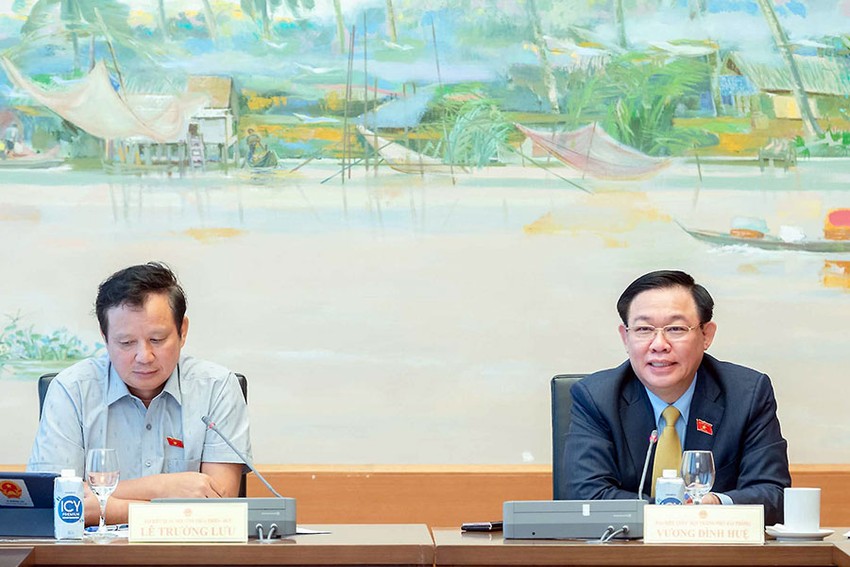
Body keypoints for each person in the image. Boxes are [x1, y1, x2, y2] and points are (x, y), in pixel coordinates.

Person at [28, 262, 251, 525]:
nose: (144, 356)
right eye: (126, 342)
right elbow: (57, 503)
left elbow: (218, 506)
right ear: (105, 337)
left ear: (182, 331)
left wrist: (103, 503)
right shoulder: (71, 390)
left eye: (157, 339)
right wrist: (164, 487)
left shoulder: (217, 387)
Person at [562, 270, 790, 525]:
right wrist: (677, 515)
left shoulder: (746, 395)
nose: (659, 344)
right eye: (644, 329)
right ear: (625, 338)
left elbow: (774, 496)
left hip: (716, 546)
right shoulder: (596, 398)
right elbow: (585, 497)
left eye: (676, 328)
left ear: (706, 335)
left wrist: (715, 505)